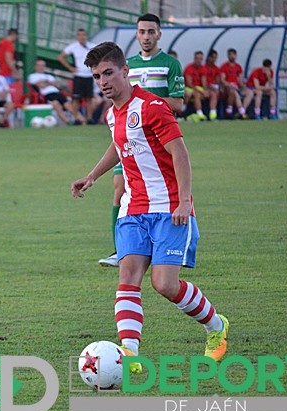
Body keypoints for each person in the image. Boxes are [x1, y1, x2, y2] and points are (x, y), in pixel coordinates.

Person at [71, 41, 229, 371]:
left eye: (109, 73)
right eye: (97, 76)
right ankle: (129, 355)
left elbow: (180, 153)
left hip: (169, 207)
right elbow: (119, 145)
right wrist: (92, 176)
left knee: (164, 285)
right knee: (127, 277)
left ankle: (216, 328)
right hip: (133, 209)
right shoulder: (113, 114)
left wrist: (184, 201)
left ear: (125, 71)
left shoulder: (153, 106)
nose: (103, 82)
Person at [99, 13, 184, 268]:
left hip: (156, 136)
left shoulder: (170, 64)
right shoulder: (127, 63)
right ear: (136, 34)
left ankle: (161, 245)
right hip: (128, 137)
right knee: (119, 189)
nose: (146, 36)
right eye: (141, 32)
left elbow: (178, 103)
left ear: (159, 34)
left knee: (159, 187)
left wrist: (146, 104)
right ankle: (121, 250)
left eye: (151, 32)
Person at [58, 29, 95, 125]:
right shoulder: (73, 47)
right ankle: (76, 118)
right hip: (79, 75)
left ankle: (89, 118)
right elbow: (61, 57)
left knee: (89, 98)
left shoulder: (91, 46)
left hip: (89, 75)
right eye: (79, 35)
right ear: (77, 37)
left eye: (83, 35)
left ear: (86, 36)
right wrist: (71, 68)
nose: (82, 37)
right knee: (76, 99)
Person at [27, 59, 74, 125]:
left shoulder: (49, 76)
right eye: (39, 65)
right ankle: (67, 121)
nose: (41, 67)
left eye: (42, 65)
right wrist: (50, 83)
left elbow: (57, 85)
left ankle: (81, 120)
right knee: (56, 103)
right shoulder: (33, 76)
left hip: (57, 93)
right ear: (35, 67)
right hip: (46, 95)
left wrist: (45, 82)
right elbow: (41, 85)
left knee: (68, 105)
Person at [219, 48, 246, 118]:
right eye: (230, 55)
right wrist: (230, 84)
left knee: (250, 93)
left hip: (236, 88)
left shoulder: (238, 67)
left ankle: (242, 110)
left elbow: (240, 80)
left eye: (233, 54)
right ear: (227, 56)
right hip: (227, 88)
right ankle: (238, 111)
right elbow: (222, 80)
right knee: (233, 91)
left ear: (236, 55)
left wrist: (242, 87)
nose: (232, 56)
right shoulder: (224, 66)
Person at [183, 51, 206, 122]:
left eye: (200, 59)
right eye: (197, 58)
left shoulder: (203, 68)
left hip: (198, 88)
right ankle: (199, 113)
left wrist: (205, 91)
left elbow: (204, 83)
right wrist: (200, 91)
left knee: (213, 93)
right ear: (194, 59)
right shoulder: (189, 68)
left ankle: (213, 113)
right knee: (196, 94)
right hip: (188, 88)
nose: (198, 60)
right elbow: (189, 83)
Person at [200, 49, 221, 121]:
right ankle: (212, 114)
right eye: (213, 57)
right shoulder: (204, 68)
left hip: (213, 89)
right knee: (213, 94)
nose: (214, 59)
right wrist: (211, 87)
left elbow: (218, 82)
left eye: (215, 57)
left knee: (216, 92)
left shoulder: (217, 68)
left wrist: (217, 87)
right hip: (205, 89)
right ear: (209, 57)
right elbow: (204, 83)